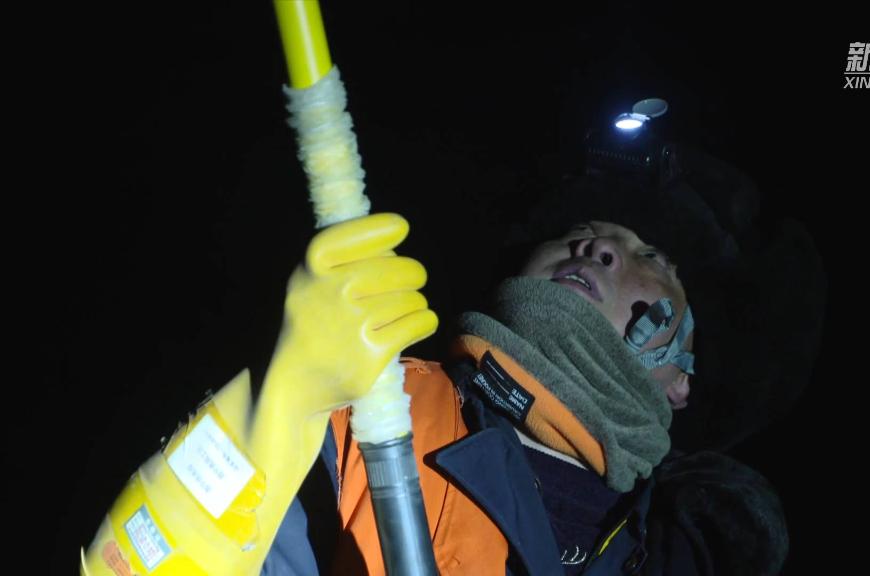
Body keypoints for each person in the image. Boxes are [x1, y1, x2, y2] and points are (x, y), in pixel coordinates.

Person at [262, 153, 824, 575]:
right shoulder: (363, 413)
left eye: (650, 257)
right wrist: (274, 414)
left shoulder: (678, 550)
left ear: (682, 378)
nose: (595, 248)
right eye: (577, 233)